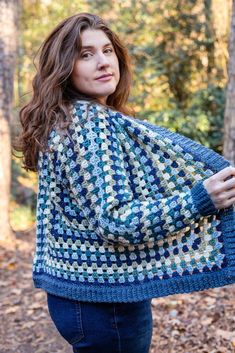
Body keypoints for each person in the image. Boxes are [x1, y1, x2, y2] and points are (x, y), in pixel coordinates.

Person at [14, 12, 235, 353]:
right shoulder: (90, 125)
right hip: (104, 302)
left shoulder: (66, 118)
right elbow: (116, 221)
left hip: (76, 293)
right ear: (64, 67)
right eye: (85, 54)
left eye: (107, 50)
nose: (103, 62)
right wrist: (199, 200)